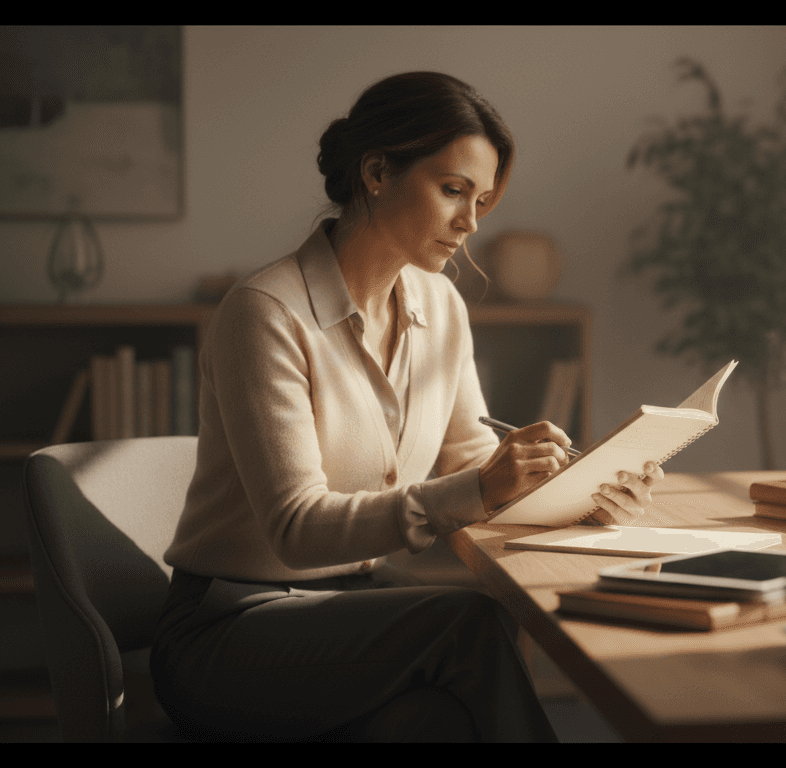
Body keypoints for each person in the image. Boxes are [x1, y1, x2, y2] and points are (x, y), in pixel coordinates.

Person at [150, 71, 663, 742]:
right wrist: (478, 487)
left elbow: (470, 461)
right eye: (452, 191)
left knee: (433, 718)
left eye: (480, 199)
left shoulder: (440, 303)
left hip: (347, 614)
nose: (471, 222)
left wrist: (579, 485)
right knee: (470, 623)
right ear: (376, 173)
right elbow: (296, 528)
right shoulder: (266, 314)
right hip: (228, 631)